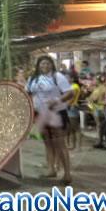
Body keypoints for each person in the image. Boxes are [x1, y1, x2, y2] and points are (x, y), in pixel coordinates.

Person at [26, 56, 74, 185]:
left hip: (56, 113)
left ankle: (67, 174)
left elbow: (70, 93)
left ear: (52, 65)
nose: (44, 66)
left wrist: (57, 101)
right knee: (47, 143)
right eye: (42, 64)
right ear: (38, 65)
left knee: (60, 143)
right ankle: (51, 169)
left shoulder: (58, 77)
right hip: (41, 114)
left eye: (47, 63)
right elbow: (28, 94)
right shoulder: (33, 79)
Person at [87, 75, 106, 149]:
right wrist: (91, 107)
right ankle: (101, 141)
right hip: (96, 109)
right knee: (100, 126)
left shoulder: (103, 89)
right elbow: (90, 100)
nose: (93, 81)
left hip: (101, 109)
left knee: (102, 126)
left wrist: (96, 104)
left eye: (95, 80)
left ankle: (104, 142)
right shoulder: (97, 88)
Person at [66, 75, 82, 150]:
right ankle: (73, 145)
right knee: (71, 128)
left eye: (67, 78)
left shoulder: (75, 86)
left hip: (72, 107)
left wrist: (66, 104)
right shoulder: (69, 86)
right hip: (69, 108)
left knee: (76, 128)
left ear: (72, 78)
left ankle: (78, 146)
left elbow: (72, 98)